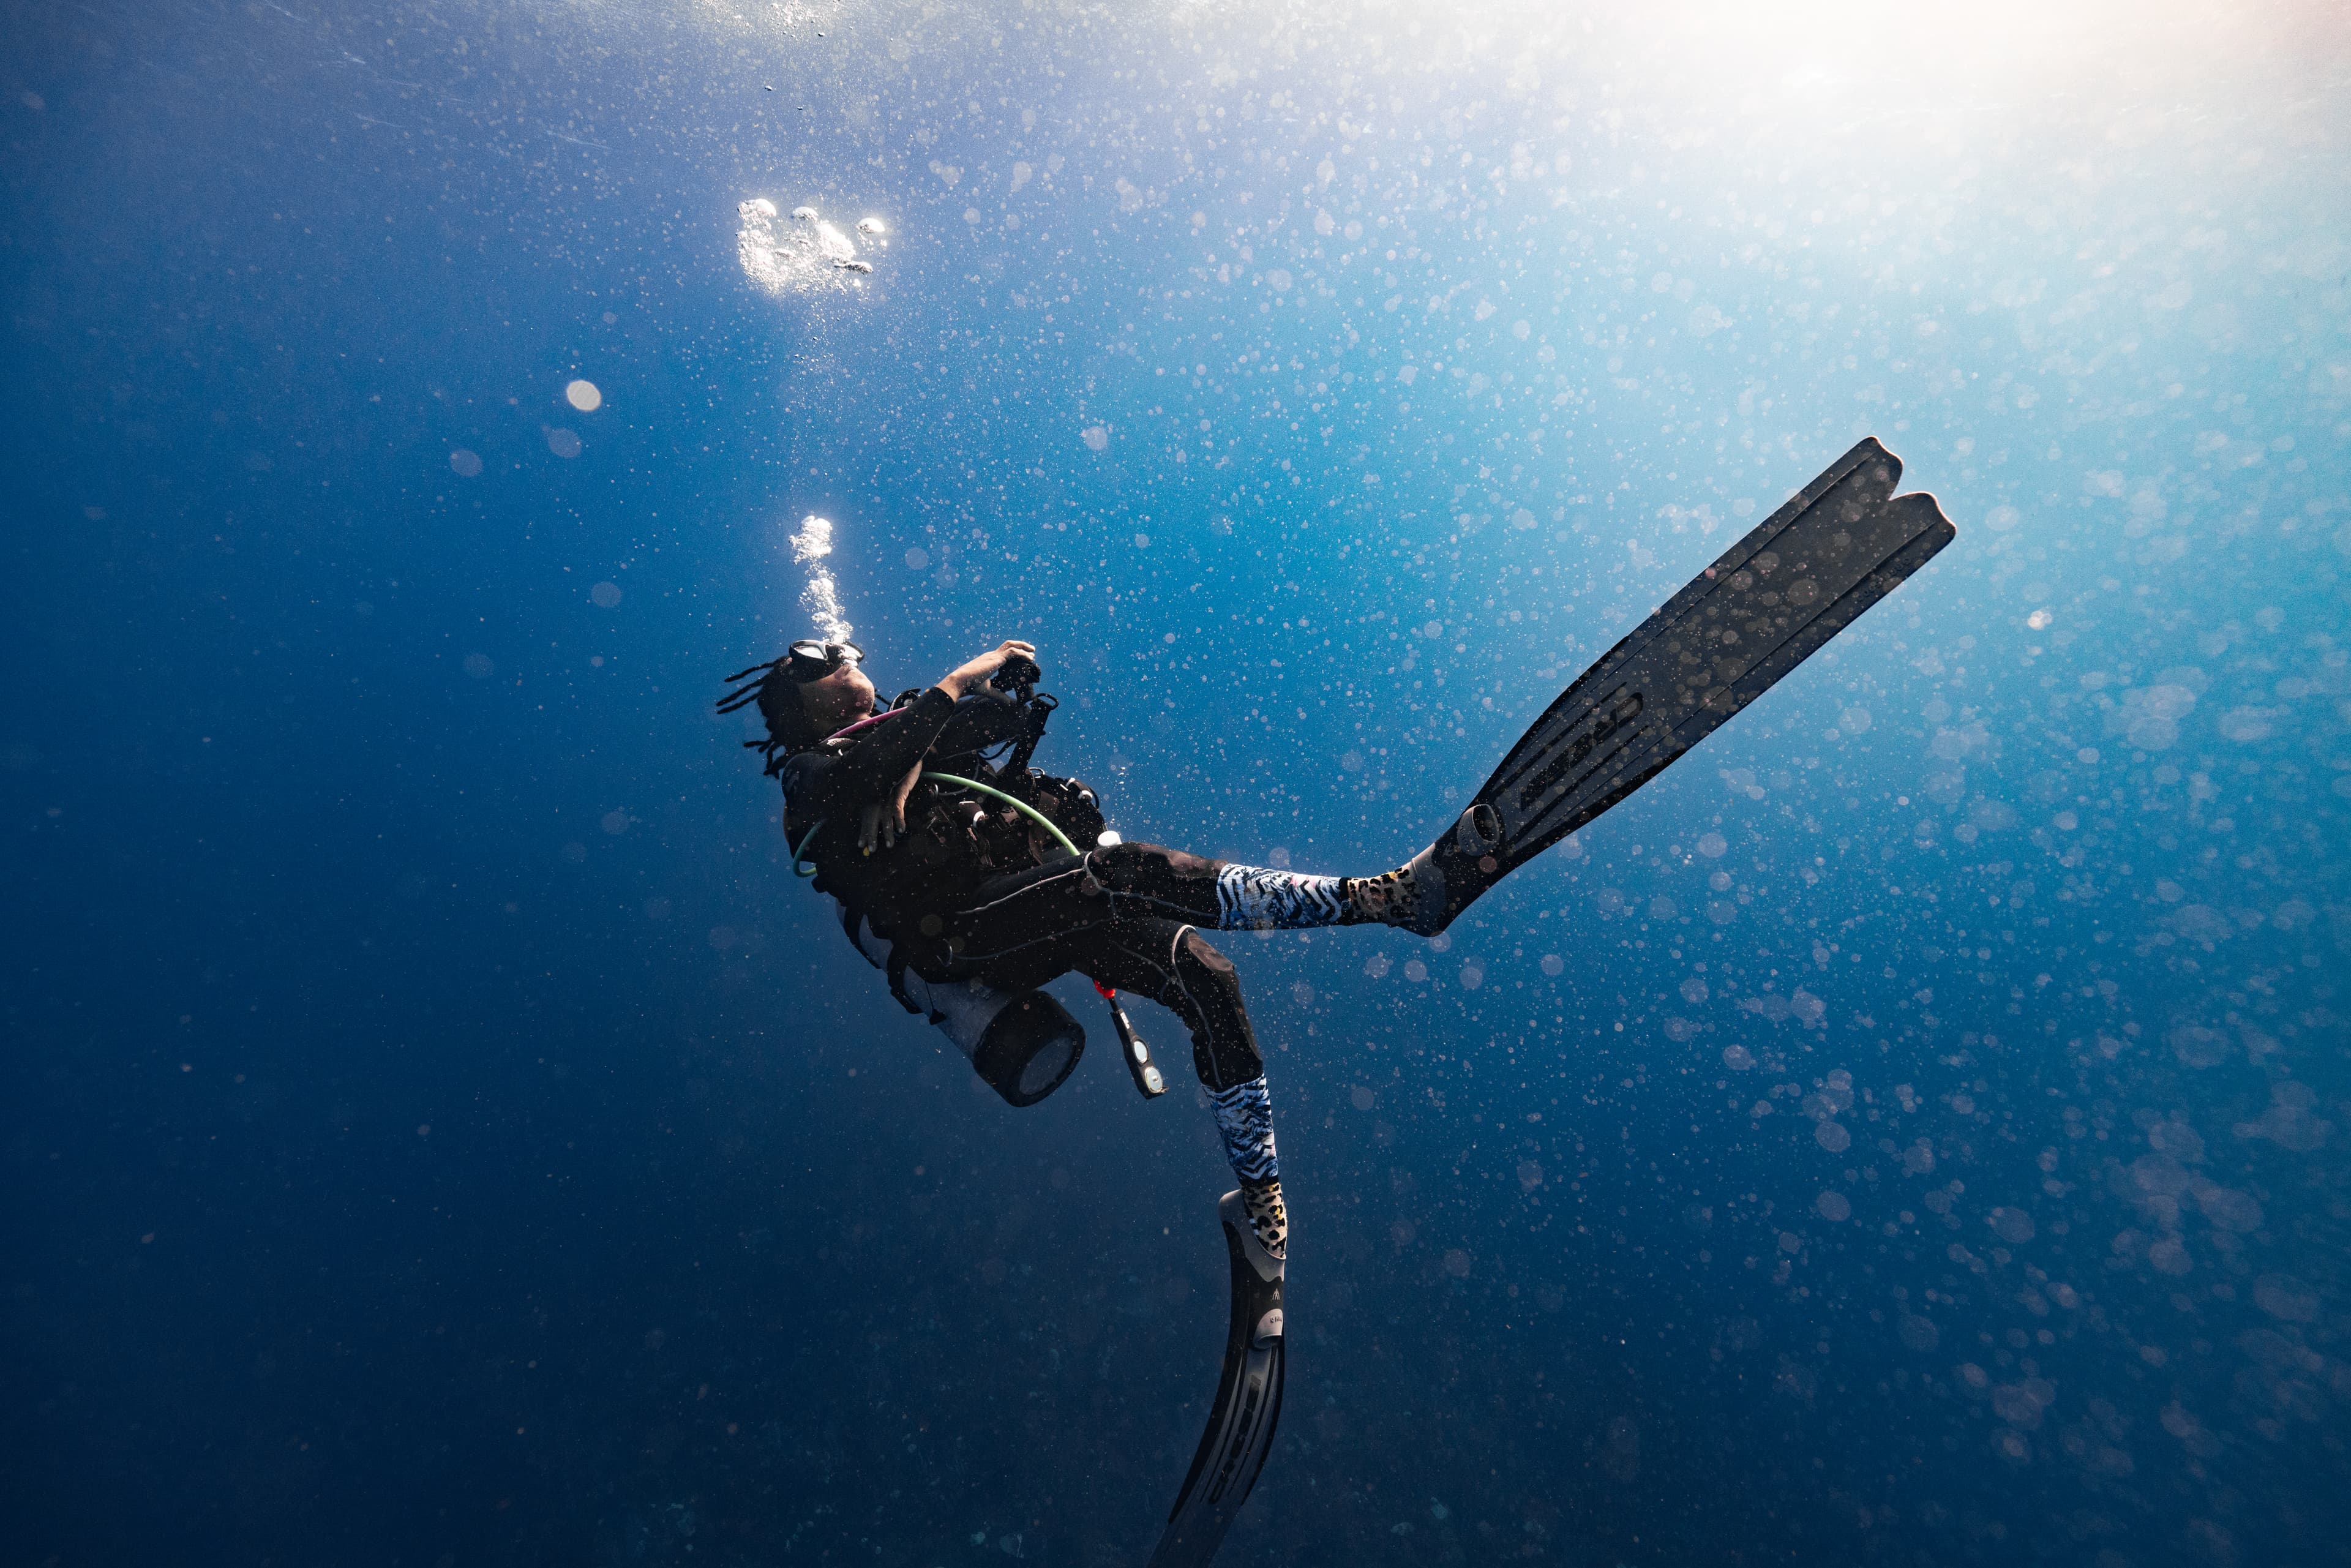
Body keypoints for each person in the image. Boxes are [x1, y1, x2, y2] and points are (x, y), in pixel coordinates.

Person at [718, 634, 1444, 1262]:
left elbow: (1000, 717)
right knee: (1120, 873)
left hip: (1038, 901)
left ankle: (1262, 1203)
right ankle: (1380, 899)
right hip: (968, 932)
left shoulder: (906, 726)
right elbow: (863, 771)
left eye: (846, 649)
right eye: (822, 657)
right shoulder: (806, 776)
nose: (847, 653)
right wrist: (957, 681)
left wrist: (924, 740)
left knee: (1207, 976)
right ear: (794, 702)